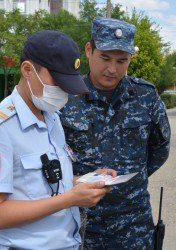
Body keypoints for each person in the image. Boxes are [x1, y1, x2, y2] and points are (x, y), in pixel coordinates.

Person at [0, 30, 116, 250]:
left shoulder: (51, 118)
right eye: (58, 83)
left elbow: (46, 182)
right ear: (28, 70)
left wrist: (87, 181)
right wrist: (70, 199)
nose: (64, 93)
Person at [60, 18, 171, 249]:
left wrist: (131, 180)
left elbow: (160, 149)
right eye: (105, 58)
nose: (113, 69)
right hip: (80, 225)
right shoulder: (66, 98)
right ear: (89, 51)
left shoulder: (146, 96)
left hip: (134, 226)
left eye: (122, 61)